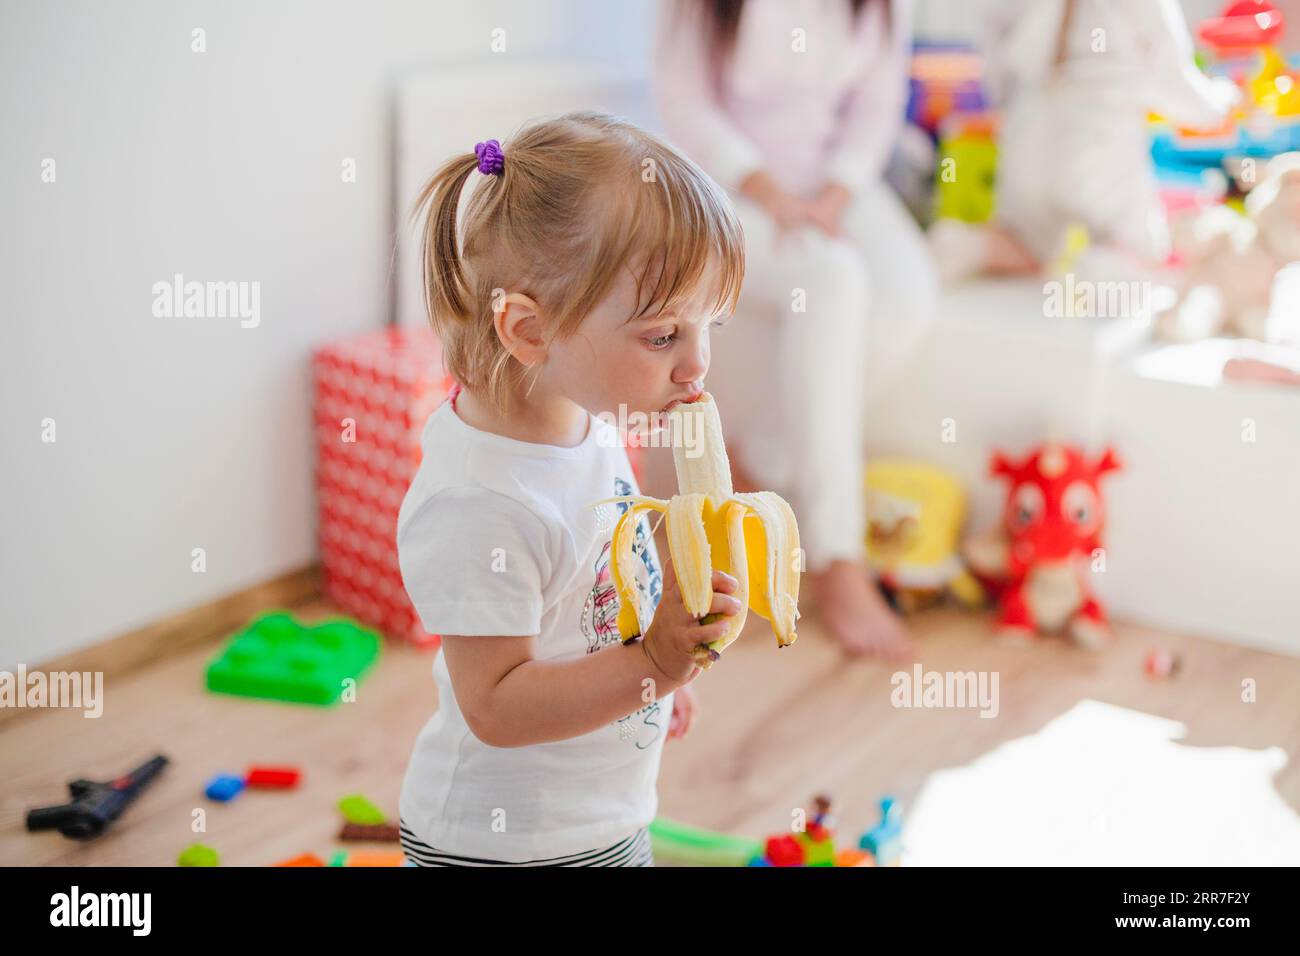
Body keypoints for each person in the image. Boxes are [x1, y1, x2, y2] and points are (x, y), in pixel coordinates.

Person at [395, 111, 748, 865]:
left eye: (708, 325)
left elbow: (602, 580)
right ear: (529, 332)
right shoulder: (479, 502)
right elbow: (493, 703)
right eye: (662, 336)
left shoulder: (588, 427)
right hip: (506, 844)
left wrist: (659, 670)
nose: (698, 366)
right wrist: (650, 667)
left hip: (609, 820)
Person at [654, 0, 937, 657]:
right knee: (833, 277)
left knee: (905, 294)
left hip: (835, 185)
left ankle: (765, 457)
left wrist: (833, 196)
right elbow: (683, 99)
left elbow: (878, 103)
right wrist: (770, 192)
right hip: (720, 189)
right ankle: (837, 555)